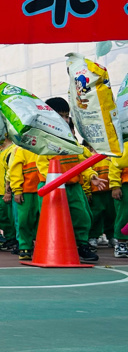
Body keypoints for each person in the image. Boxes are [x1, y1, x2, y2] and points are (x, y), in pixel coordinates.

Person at [36, 97, 100, 263]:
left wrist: (91, 175)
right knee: (54, 218)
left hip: (73, 187)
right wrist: (55, 181)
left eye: (66, 116)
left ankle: (82, 245)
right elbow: (42, 165)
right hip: (52, 188)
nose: (65, 120)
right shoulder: (42, 141)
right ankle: (53, 247)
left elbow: (82, 161)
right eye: (61, 116)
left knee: (82, 216)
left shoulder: (71, 141)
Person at [8, 144, 40, 261]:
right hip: (27, 191)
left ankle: (41, 246)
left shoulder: (47, 146)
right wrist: (17, 190)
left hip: (45, 189)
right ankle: (25, 246)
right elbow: (15, 171)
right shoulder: (21, 150)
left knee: (42, 220)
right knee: (24, 220)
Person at [108, 141, 128, 257]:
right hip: (126, 184)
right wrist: (115, 186)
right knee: (124, 214)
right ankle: (121, 243)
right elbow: (115, 166)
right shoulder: (123, 145)